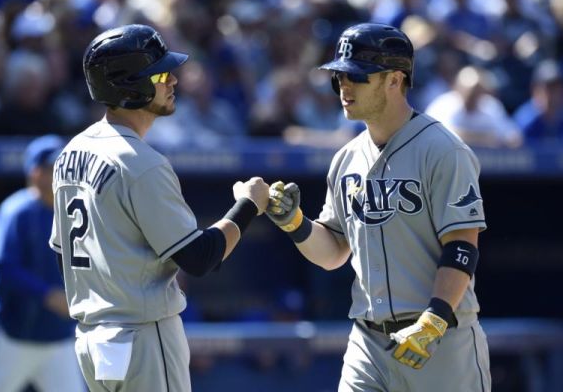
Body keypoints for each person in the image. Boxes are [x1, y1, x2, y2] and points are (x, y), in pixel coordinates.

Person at [265, 23, 491, 391]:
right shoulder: (345, 159)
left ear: (394, 80)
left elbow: (463, 245)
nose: (344, 88)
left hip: (441, 338)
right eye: (339, 77)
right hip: (368, 342)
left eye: (358, 77)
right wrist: (295, 223)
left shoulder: (443, 150)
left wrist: (434, 319)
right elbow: (334, 251)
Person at [49, 24, 269, 392]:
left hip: (92, 340)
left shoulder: (71, 151)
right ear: (131, 86)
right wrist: (248, 205)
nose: (173, 82)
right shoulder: (141, 162)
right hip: (141, 337)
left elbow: (62, 257)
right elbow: (200, 258)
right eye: (161, 74)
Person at [0, 135, 84, 392]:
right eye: (52, 168)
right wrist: (48, 295)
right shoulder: (17, 211)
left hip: (56, 335)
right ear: (35, 173)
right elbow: (1, 265)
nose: (60, 174)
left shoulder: (71, 211)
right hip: (11, 331)